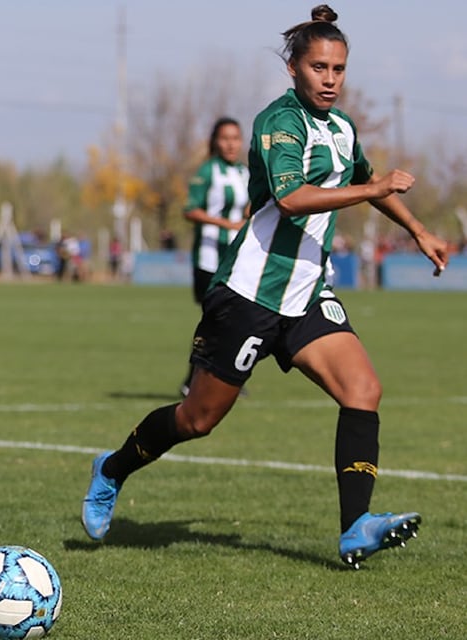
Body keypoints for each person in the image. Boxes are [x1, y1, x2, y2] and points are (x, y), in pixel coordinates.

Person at [81, 5, 448, 570]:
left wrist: (419, 229)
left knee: (363, 390)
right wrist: (372, 186)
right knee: (196, 420)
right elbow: (293, 198)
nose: (331, 79)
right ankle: (111, 469)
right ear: (294, 69)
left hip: (303, 294)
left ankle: (354, 528)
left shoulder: (343, 128)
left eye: (340, 69)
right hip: (250, 294)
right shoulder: (278, 122)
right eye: (320, 67)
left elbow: (366, 184)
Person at [179, 117, 250, 396]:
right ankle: (193, 380)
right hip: (209, 258)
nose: (231, 144)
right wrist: (226, 224)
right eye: (225, 138)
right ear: (215, 141)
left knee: (238, 319)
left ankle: (227, 379)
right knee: (215, 320)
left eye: (235, 138)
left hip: (238, 258)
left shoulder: (245, 173)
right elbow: (190, 210)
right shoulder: (208, 172)